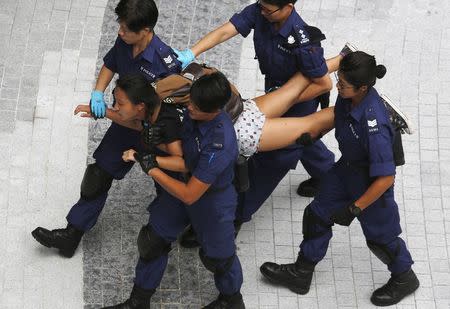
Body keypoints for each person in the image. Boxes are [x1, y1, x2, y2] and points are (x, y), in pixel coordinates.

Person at [259, 51, 419, 307]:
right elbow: (338, 119)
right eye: (339, 80)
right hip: (345, 171)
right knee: (317, 215)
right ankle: (302, 273)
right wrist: (313, 135)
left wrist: (355, 208)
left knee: (381, 239)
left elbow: (386, 178)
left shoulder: (374, 124)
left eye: (343, 84)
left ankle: (404, 277)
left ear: (363, 87)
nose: (338, 85)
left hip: (371, 185)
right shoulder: (349, 97)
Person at [31, 0, 181, 258]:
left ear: (145, 30)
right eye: (119, 25)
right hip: (125, 124)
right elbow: (111, 64)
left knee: (169, 189)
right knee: (97, 176)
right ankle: (71, 234)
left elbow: (149, 120)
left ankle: (192, 229)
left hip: (158, 134)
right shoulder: (125, 41)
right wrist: (98, 93)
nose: (120, 32)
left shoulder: (164, 66)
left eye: (126, 28)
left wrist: (106, 114)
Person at [101, 72, 245, 309]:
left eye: (196, 107)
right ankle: (138, 301)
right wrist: (155, 146)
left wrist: (151, 166)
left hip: (210, 202)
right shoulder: (192, 106)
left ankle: (231, 300)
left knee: (219, 258)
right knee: (152, 241)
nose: (189, 108)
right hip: (181, 183)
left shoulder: (220, 145)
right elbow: (186, 159)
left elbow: (190, 193)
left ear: (213, 111)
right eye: (191, 102)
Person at [175, 0, 338, 200]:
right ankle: (328, 174)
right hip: (276, 88)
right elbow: (226, 31)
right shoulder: (261, 11)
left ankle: (241, 213)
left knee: (278, 156)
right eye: (260, 6)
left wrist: (285, 97)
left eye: (268, 10)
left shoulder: (302, 41)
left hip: (301, 99)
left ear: (288, 7)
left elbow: (323, 84)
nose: (262, 12)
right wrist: (192, 52)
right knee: (300, 139)